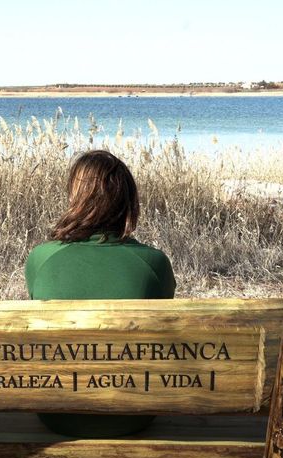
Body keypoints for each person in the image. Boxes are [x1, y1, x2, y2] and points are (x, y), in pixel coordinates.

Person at [25, 149, 176, 438]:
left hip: (57, 414)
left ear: (76, 198)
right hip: (133, 415)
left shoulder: (41, 259)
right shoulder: (154, 263)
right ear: (127, 202)